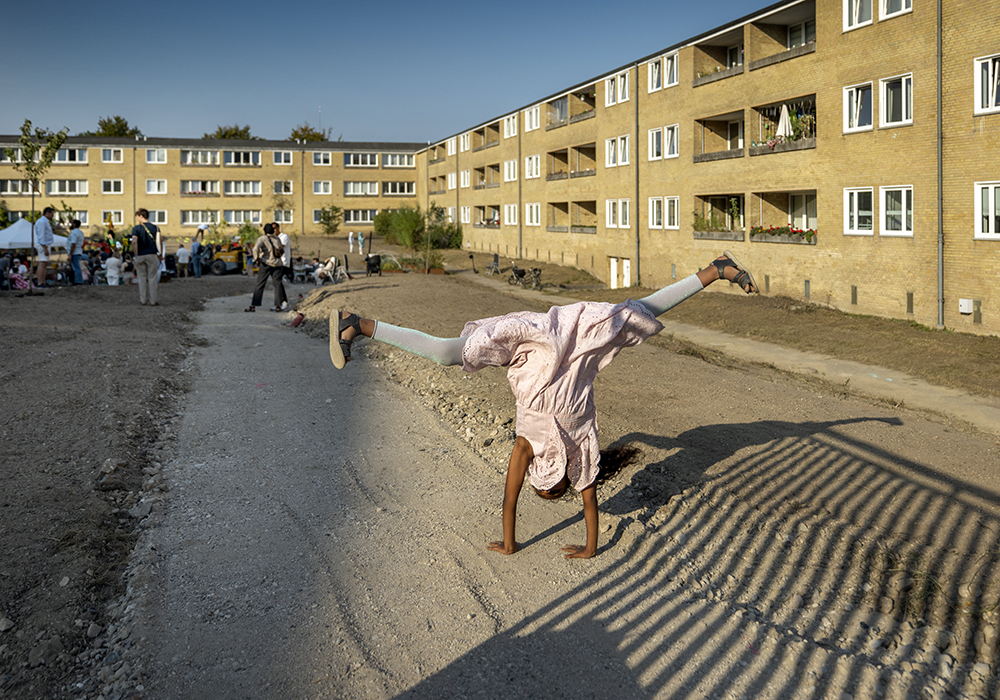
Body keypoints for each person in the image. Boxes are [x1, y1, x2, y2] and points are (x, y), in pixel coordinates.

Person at [329, 251, 758, 559]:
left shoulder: (527, 449)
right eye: (549, 488)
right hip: (571, 348)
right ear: (558, 479)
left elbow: (512, 501)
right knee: (635, 313)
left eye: (541, 485)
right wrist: (587, 548)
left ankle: (360, 325)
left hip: (529, 351)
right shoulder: (583, 454)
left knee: (447, 354)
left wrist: (516, 543)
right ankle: (715, 270)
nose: (542, 484)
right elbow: (564, 502)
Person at [245, 223, 286, 312]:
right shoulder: (277, 238)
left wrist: (256, 259)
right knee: (277, 285)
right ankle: (278, 306)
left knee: (260, 284)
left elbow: (255, 249)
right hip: (278, 264)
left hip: (266, 263)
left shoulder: (262, 238)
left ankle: (253, 306)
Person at [130, 208, 163, 306]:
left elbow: (134, 241)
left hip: (140, 255)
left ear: (141, 216)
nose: (137, 219)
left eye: (137, 217)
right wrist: (161, 254)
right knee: (152, 278)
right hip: (152, 254)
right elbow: (159, 241)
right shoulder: (156, 227)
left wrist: (136, 254)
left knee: (142, 278)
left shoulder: (136, 228)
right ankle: (153, 300)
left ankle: (143, 300)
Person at [34, 207, 56, 288]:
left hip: (44, 244)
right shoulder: (42, 222)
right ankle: (40, 283)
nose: (52, 216)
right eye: (52, 214)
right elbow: (41, 235)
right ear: (47, 212)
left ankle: (42, 281)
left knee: (44, 263)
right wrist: (45, 247)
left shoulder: (44, 221)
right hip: (43, 244)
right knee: (42, 263)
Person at [275, 222, 291, 307]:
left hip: (283, 262)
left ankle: (283, 301)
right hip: (277, 263)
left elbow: (280, 247)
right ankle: (282, 301)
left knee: (277, 281)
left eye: (274, 228)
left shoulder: (284, 236)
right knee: (277, 282)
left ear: (278, 228)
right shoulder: (274, 238)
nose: (273, 230)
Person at [66, 219, 85, 285]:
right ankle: (77, 280)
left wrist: (70, 254)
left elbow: (73, 244)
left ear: (74, 224)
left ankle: (78, 281)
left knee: (76, 267)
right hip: (78, 251)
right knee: (76, 266)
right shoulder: (81, 232)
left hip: (74, 252)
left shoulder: (74, 233)